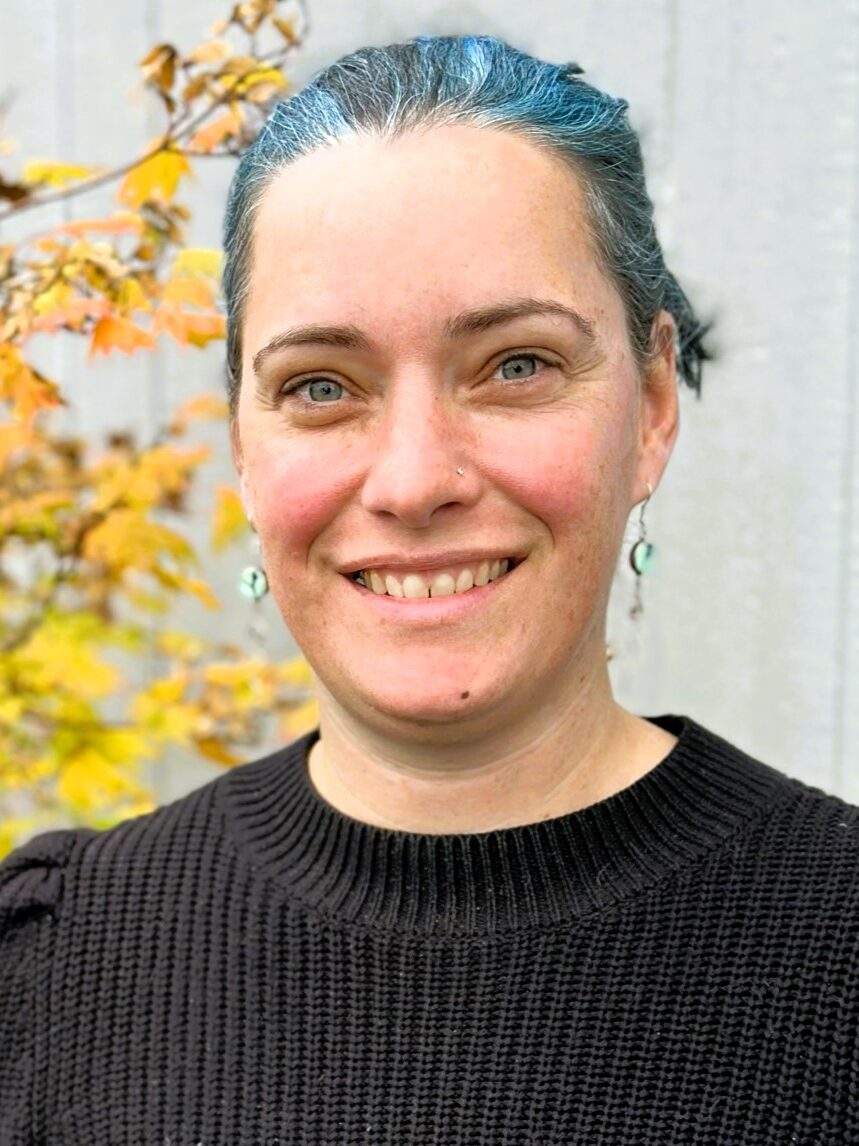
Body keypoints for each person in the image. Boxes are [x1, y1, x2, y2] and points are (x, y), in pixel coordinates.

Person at [1, 34, 857, 1145]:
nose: (414, 480)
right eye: (321, 386)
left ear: (649, 406)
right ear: (245, 450)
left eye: (515, 367)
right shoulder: (55, 968)